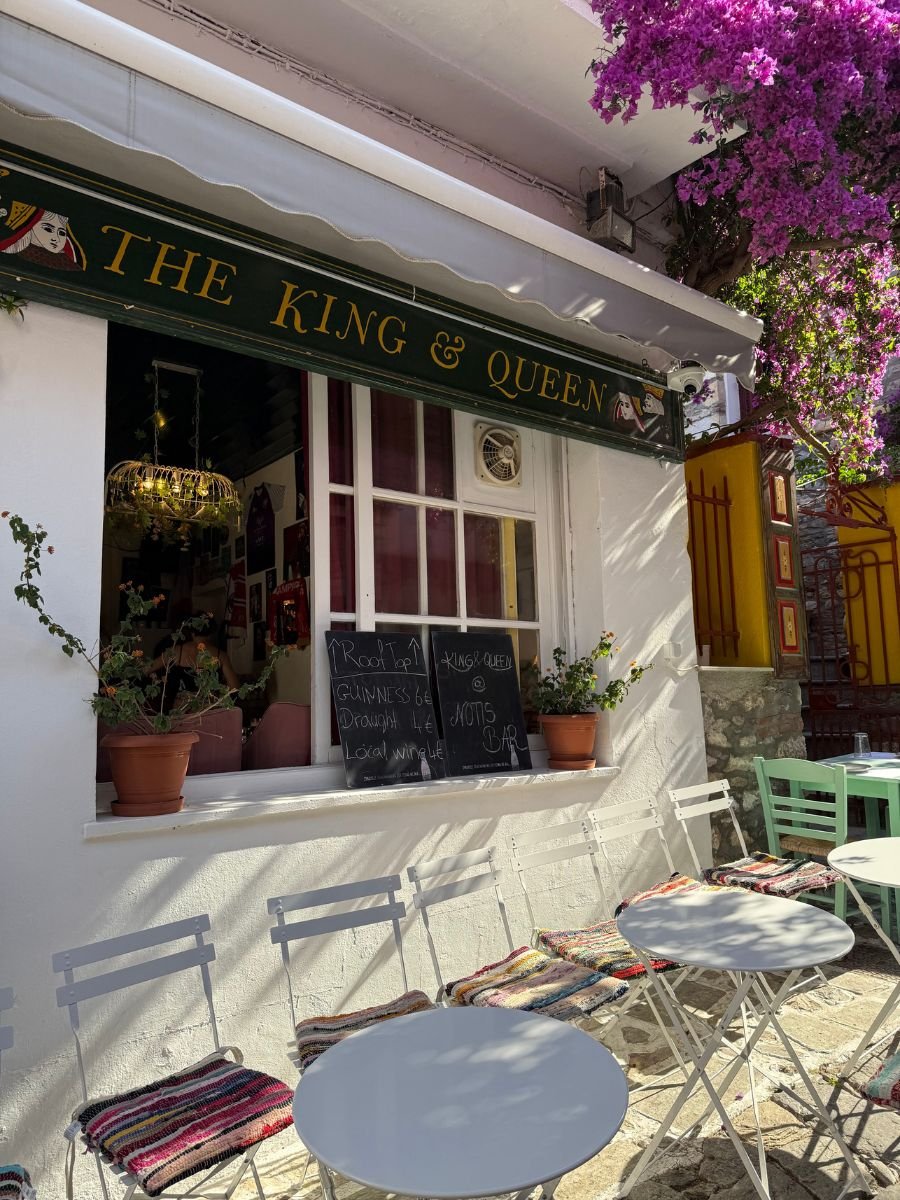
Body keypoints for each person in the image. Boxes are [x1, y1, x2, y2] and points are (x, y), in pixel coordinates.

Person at [148, 615, 239, 702]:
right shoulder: (220, 655)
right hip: (208, 709)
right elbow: (234, 688)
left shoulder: (177, 651)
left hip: (181, 710)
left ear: (192, 632)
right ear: (211, 634)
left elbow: (147, 668)